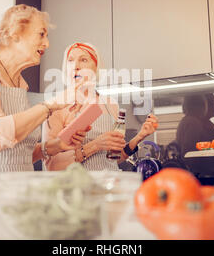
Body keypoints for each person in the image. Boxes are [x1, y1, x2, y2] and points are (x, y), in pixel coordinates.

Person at [0, 5, 88, 209]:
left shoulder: (20, 84)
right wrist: (51, 105)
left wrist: (51, 147)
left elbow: (14, 153)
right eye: (41, 34)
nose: (47, 43)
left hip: (13, 199)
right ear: (15, 33)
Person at [44, 42, 159, 171]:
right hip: (77, 187)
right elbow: (52, 166)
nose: (75, 66)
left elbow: (115, 157)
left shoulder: (111, 104)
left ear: (96, 67)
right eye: (70, 60)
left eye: (83, 60)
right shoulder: (56, 106)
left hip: (108, 184)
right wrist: (94, 146)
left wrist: (139, 136)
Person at [176, 93, 214, 184]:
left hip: (200, 175)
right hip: (201, 176)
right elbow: (189, 152)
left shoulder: (187, 121)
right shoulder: (193, 122)